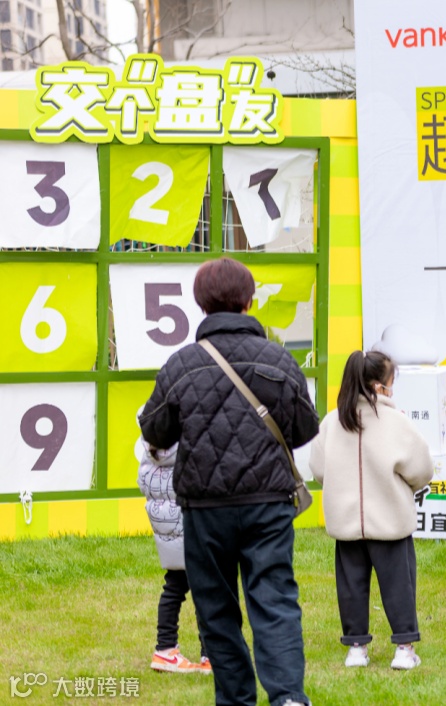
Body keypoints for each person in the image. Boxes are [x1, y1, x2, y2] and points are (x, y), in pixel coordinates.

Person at [139, 257, 319, 706]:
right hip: (268, 501)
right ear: (249, 300)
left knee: (216, 608)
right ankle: (288, 697)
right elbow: (305, 428)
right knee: (274, 599)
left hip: (205, 508)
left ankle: (236, 699)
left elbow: (155, 430)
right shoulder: (279, 358)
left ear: (200, 303)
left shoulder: (182, 364)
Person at [310, 350, 434, 671]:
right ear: (380, 387)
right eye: (391, 383)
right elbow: (422, 469)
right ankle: (404, 649)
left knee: (350, 586)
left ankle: (356, 648)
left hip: (346, 522)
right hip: (390, 520)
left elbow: (319, 469)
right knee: (399, 585)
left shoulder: (333, 422)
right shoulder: (396, 422)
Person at [137, 441, 211, 675]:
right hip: (191, 518)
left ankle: (165, 648)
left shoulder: (150, 442)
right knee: (207, 588)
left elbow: (143, 482)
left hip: (166, 523)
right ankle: (211, 652)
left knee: (174, 585)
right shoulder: (191, 440)